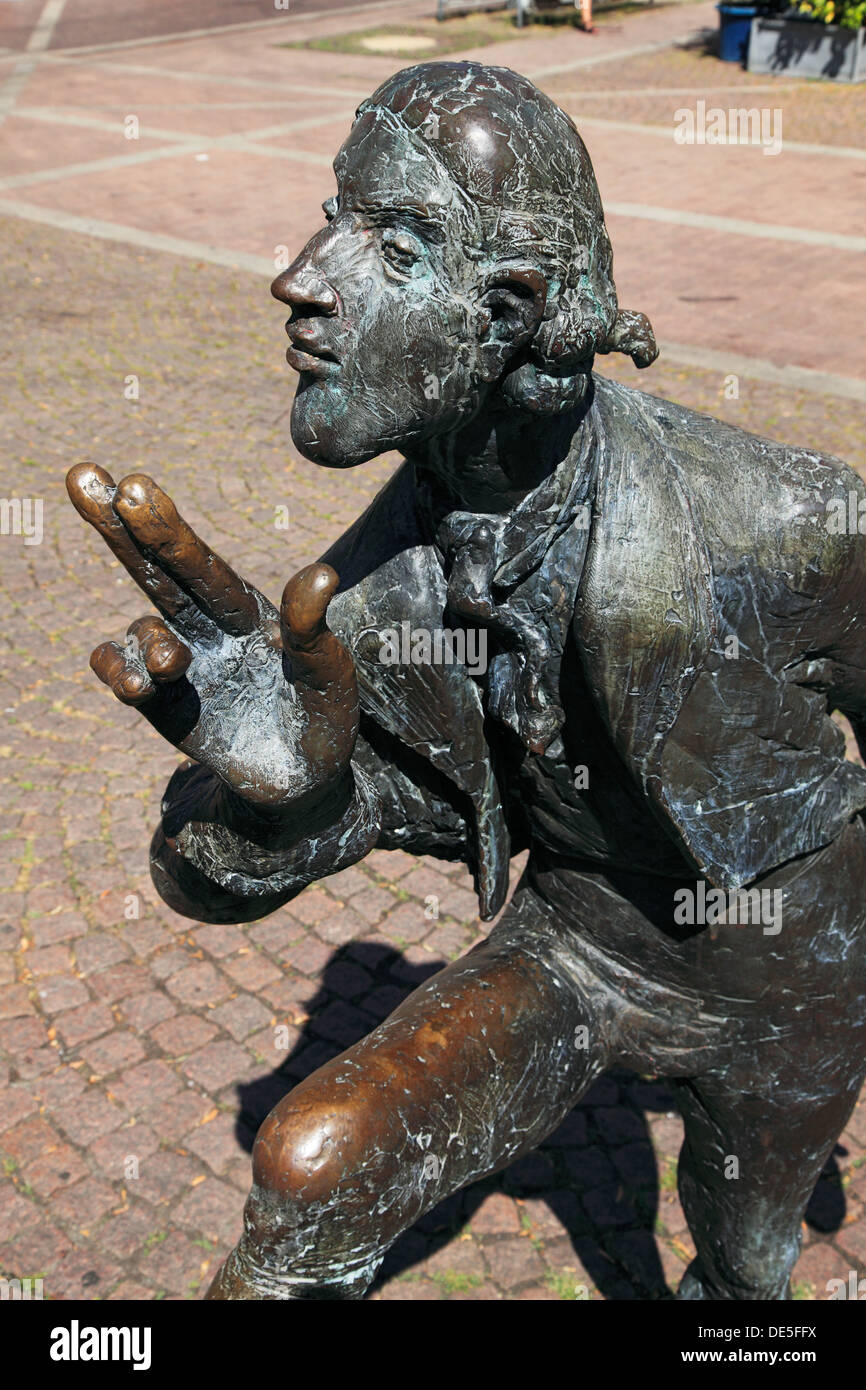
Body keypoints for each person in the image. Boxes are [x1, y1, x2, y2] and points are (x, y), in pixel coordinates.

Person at [68, 62, 866, 1300]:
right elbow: (216, 876)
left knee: (748, 1266)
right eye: (334, 210)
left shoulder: (779, 521)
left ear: (509, 307)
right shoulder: (365, 596)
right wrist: (283, 798)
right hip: (579, 935)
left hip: (784, 966)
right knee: (304, 1167)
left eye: (389, 246)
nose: (300, 277)